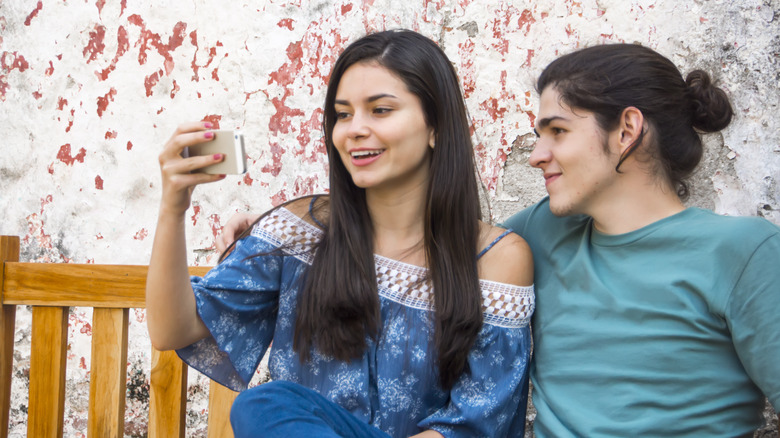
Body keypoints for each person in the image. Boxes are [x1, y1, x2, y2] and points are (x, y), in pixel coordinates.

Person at [221, 43, 780, 437]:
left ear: (627, 131)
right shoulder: (539, 234)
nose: (537, 153)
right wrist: (277, 232)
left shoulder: (743, 252)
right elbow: (422, 240)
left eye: (557, 131)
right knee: (267, 405)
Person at [146, 29, 535, 438]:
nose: (354, 129)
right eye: (343, 114)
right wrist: (174, 205)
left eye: (380, 110)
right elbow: (173, 329)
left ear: (436, 126)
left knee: (263, 404)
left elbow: (474, 426)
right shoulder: (301, 234)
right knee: (265, 405)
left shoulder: (496, 258)